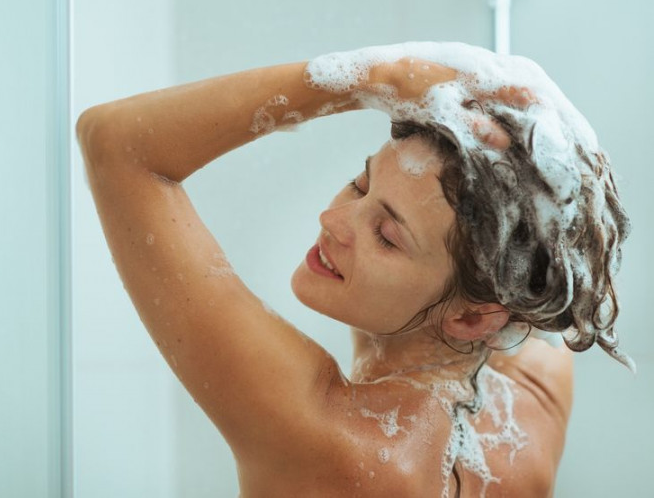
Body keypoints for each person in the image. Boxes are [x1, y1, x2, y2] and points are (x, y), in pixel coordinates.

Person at [75, 42, 631, 497]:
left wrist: (369, 77)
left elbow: (116, 143)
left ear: (473, 319)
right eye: (361, 184)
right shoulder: (534, 398)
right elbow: (553, 255)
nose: (333, 219)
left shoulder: (332, 439)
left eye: (387, 236)